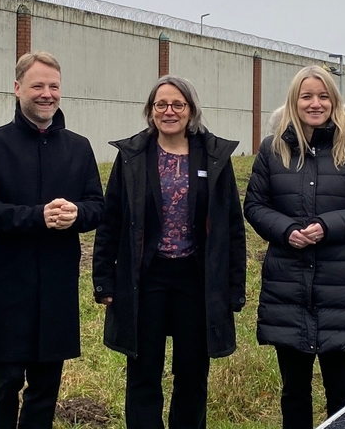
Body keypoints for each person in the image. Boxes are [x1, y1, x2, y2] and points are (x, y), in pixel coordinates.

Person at [92, 75, 246, 429]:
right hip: (145, 279)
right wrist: (104, 281)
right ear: (150, 111)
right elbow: (111, 219)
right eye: (161, 104)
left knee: (192, 374)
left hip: (196, 280)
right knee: (144, 373)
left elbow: (231, 229)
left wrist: (234, 289)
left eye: (178, 104)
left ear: (191, 110)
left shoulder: (214, 157)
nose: (169, 111)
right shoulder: (133, 157)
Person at [243, 65, 345, 429]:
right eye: (307, 96)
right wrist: (286, 231)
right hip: (287, 286)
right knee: (294, 393)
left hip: (339, 286)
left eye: (323, 96)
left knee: (342, 393)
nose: (315, 103)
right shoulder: (272, 149)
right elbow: (255, 206)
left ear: (334, 100)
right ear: (294, 101)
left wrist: (327, 226)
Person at [0, 51, 104, 429]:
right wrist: (36, 216)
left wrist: (77, 213)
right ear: (17, 89)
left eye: (54, 86)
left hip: (57, 286)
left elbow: (97, 206)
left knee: (46, 386)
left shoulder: (78, 147)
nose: (47, 93)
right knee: (5, 382)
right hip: (8, 284)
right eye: (38, 85)